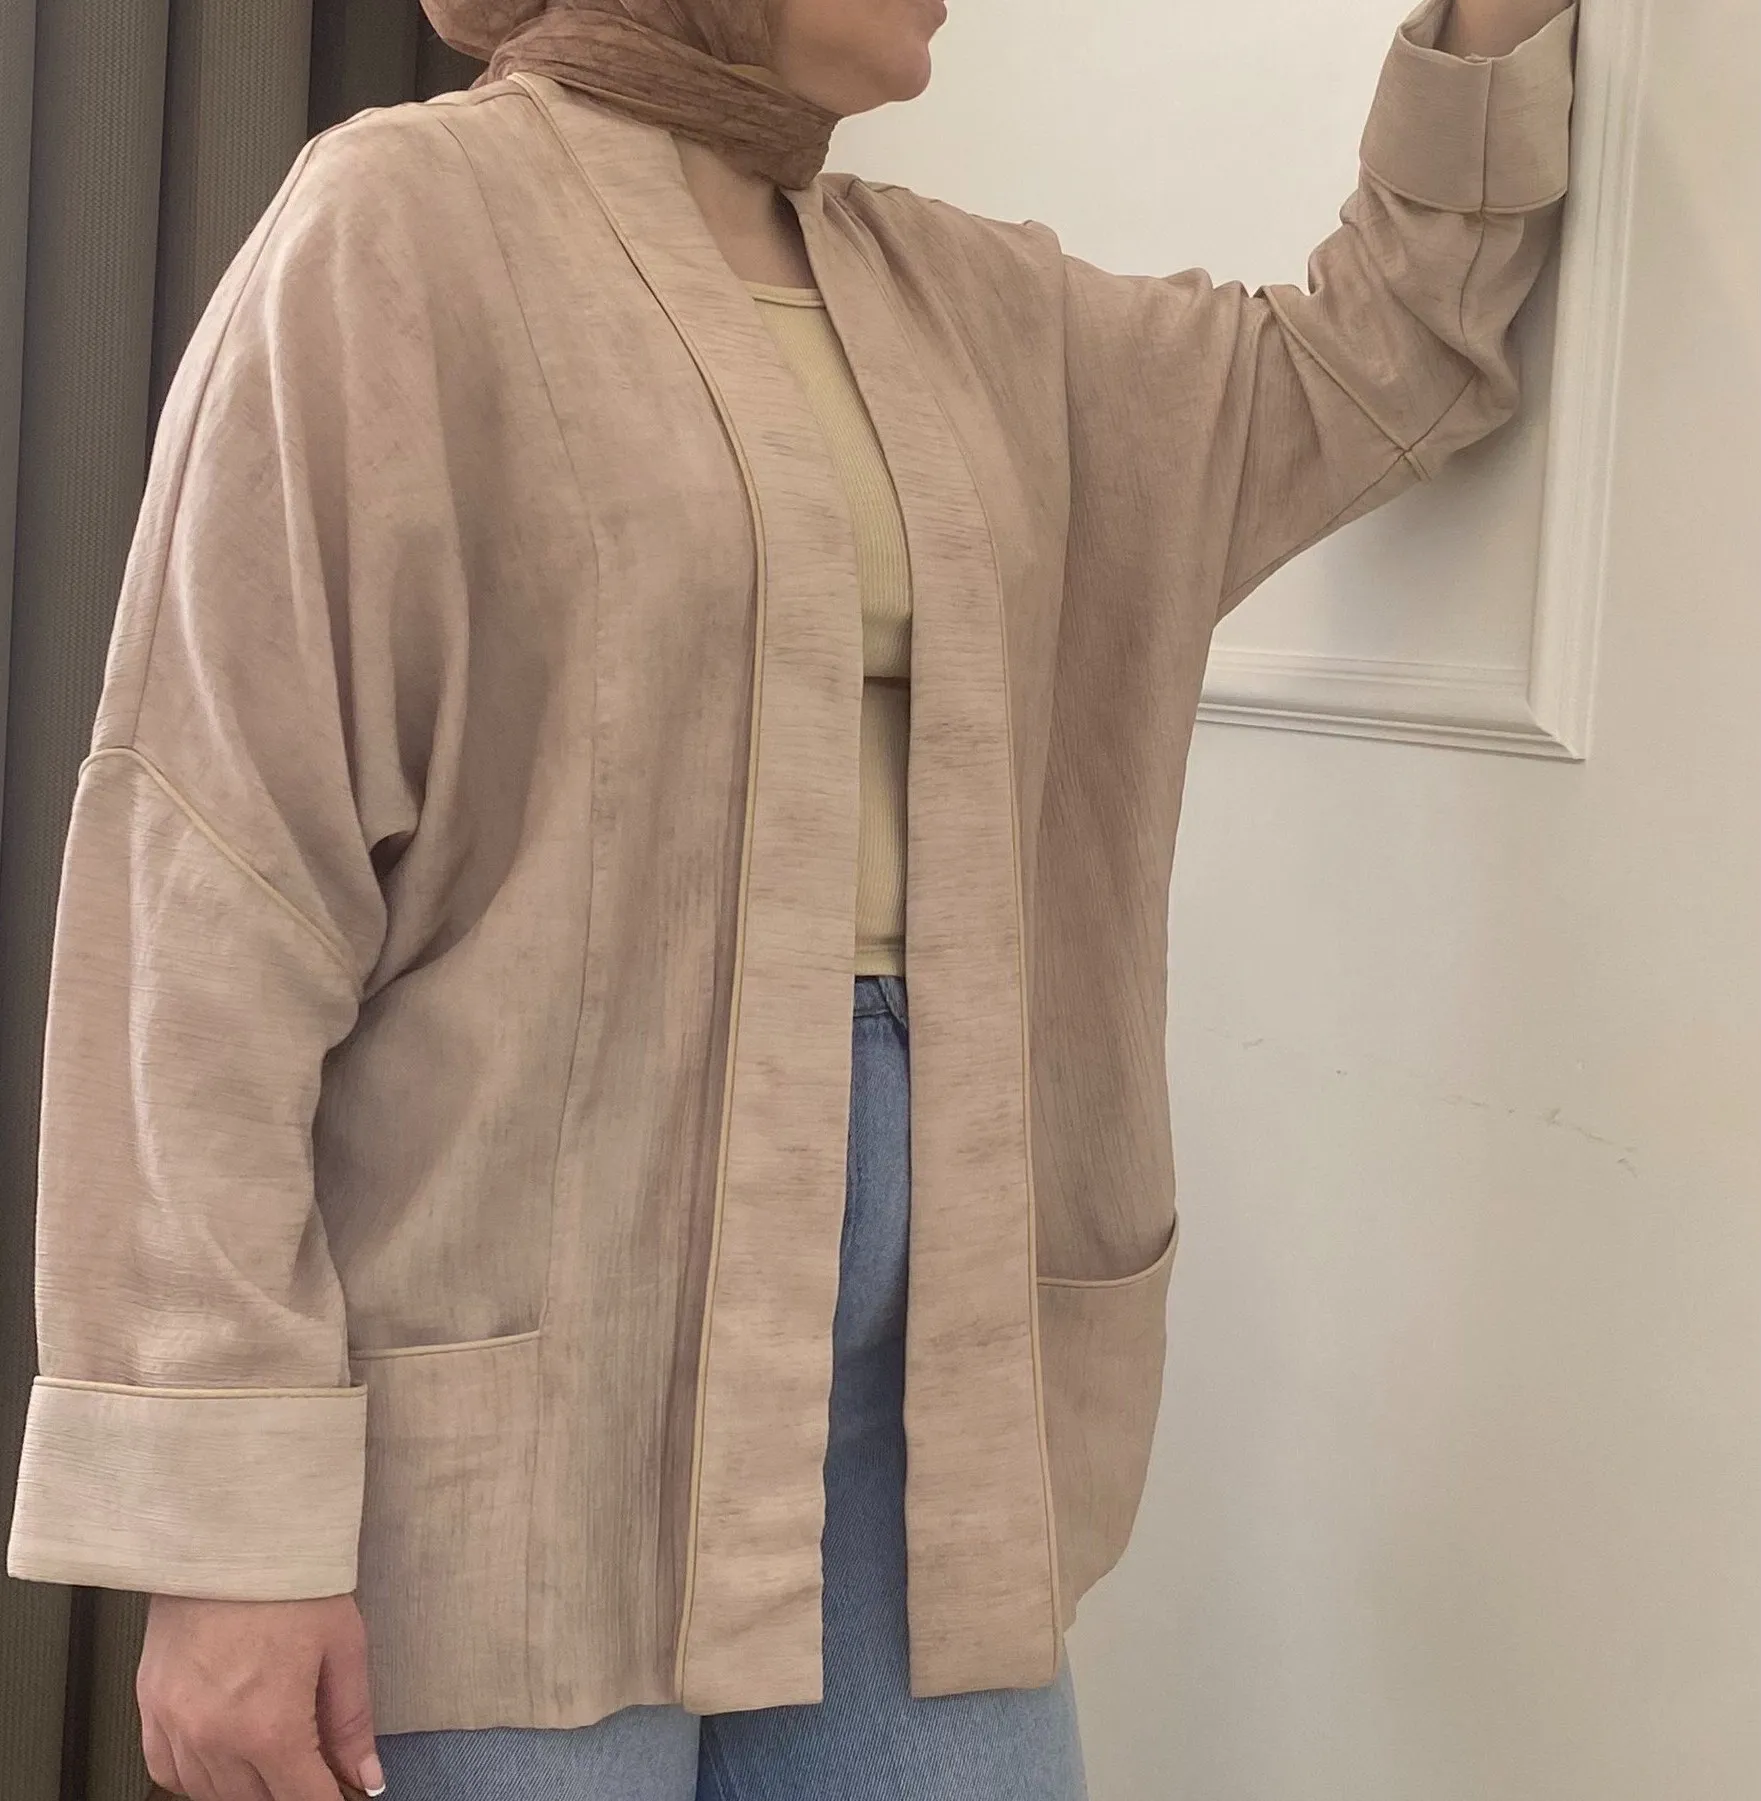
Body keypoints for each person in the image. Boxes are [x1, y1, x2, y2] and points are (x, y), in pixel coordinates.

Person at [5, 0, 1579, 1796]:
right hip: (534, 1416)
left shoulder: (971, 303)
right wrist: (223, 1537)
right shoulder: (404, 227)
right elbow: (214, 882)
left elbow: (1379, 368)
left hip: (934, 1415)